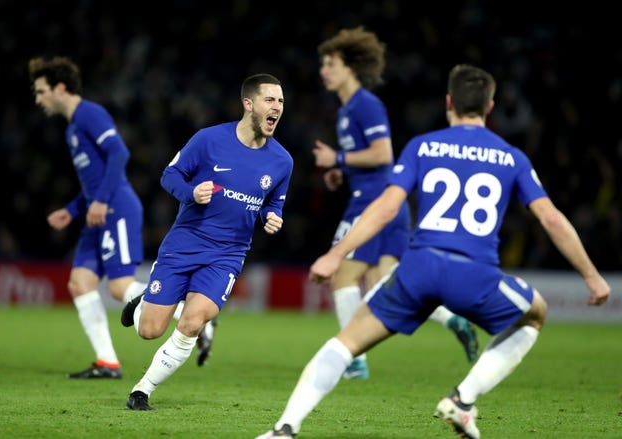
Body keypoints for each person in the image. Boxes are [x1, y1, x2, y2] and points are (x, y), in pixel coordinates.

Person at [256, 64, 610, 439]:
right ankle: (463, 400)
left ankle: (284, 429)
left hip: (419, 269)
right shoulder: (511, 157)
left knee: (345, 343)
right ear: (490, 107)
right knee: (535, 313)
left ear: (448, 103)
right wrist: (591, 276)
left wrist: (336, 253)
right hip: (475, 276)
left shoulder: (422, 146)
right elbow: (551, 220)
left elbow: (388, 206)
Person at [312, 27, 478, 380]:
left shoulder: (364, 105)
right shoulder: (346, 110)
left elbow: (383, 153)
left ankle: (353, 359)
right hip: (385, 199)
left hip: (373, 202)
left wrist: (338, 158)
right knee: (387, 282)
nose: (324, 70)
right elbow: (369, 158)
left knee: (341, 274)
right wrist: (342, 170)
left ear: (351, 67)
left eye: (330, 63)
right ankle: (453, 319)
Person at [121, 73, 293, 411]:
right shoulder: (208, 140)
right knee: (149, 331)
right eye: (270, 100)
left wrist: (271, 216)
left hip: (228, 254)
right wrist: (190, 192)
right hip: (184, 244)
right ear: (249, 104)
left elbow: (273, 202)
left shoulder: (282, 161)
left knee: (193, 322)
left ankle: (142, 390)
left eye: (281, 101)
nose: (277, 107)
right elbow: (170, 175)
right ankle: (144, 298)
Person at [29, 56, 147, 379]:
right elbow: (93, 183)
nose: (37, 99)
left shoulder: (89, 114)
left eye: (41, 91)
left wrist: (101, 202)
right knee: (80, 284)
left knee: (121, 287)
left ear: (60, 88)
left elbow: (120, 153)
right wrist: (71, 210)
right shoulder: (72, 130)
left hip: (116, 207)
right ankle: (107, 362)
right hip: (97, 211)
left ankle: (189, 312)